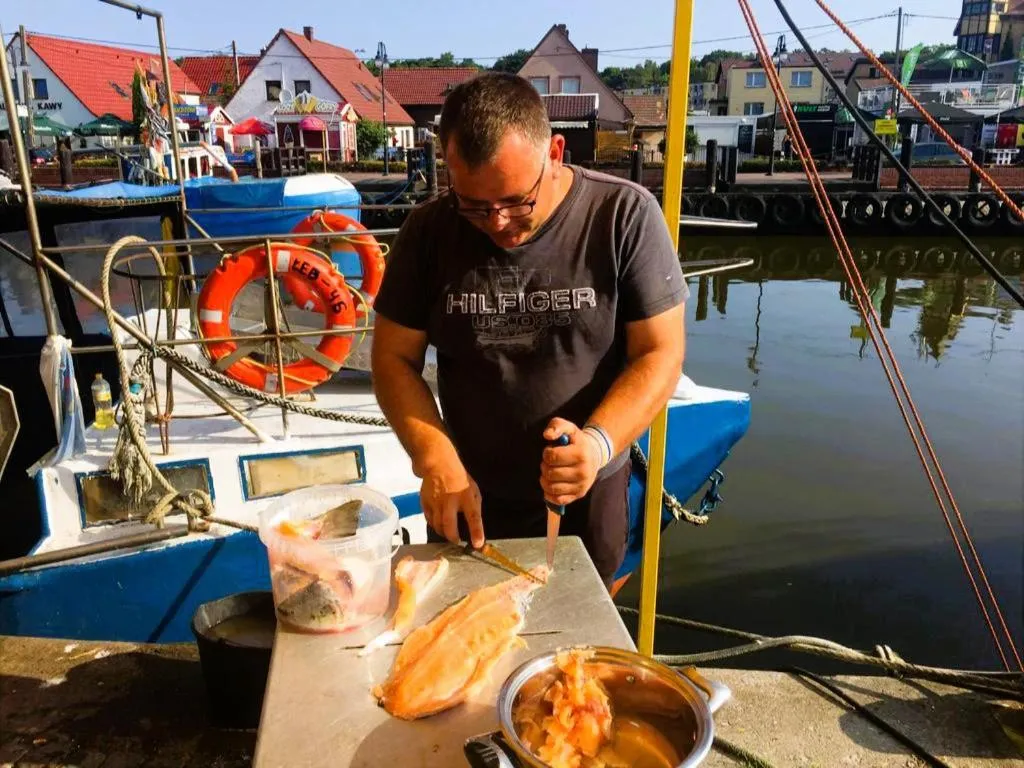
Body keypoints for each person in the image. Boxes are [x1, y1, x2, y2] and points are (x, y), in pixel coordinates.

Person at [370, 72, 688, 586]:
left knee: (579, 620)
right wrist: (435, 458)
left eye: (516, 200)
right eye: (473, 205)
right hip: (468, 489)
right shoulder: (428, 231)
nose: (496, 222)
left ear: (555, 152)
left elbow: (660, 352)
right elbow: (392, 359)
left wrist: (598, 444)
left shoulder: (623, 214)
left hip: (587, 485)